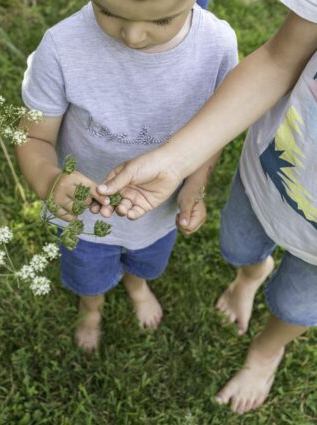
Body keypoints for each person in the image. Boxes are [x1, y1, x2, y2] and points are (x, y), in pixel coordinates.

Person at [96, 0, 317, 414]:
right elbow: (278, 59)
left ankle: (267, 352)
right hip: (269, 176)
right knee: (238, 247)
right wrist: (176, 161)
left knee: (294, 304)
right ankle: (250, 277)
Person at [16, 0, 238, 352]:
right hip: (83, 214)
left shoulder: (217, 45)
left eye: (162, 19)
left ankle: (137, 285)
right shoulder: (62, 46)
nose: (133, 36)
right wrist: (48, 179)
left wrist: (195, 186)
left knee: (147, 260)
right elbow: (34, 135)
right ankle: (91, 308)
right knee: (87, 273)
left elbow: (216, 128)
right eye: (109, 12)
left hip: (156, 211)